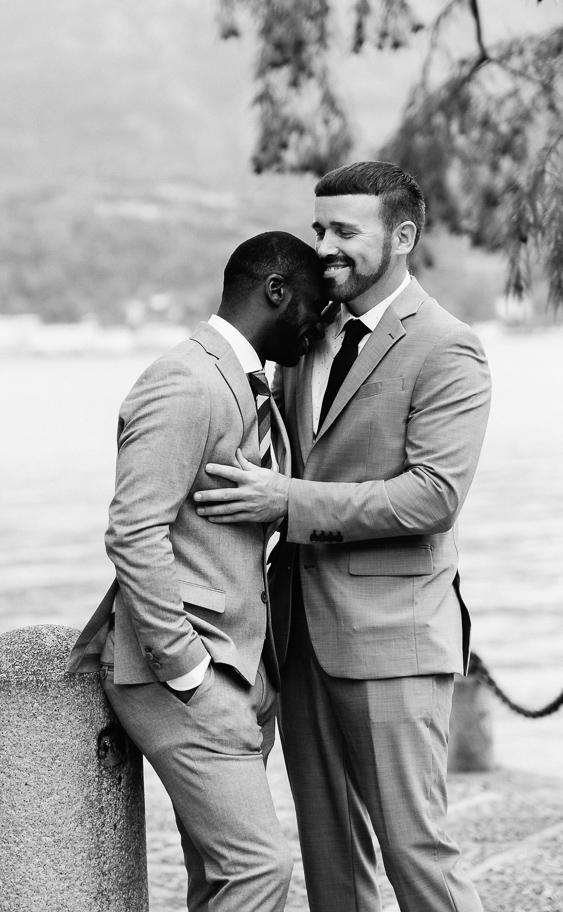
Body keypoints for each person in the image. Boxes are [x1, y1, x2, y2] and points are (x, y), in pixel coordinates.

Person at [194, 161, 491, 912]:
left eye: (343, 231)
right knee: (334, 864)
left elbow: (432, 498)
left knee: (414, 851)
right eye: (318, 227)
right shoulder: (307, 327)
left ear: (401, 236)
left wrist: (283, 501)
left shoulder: (446, 346)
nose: (322, 245)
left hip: (392, 637)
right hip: (295, 635)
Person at [67, 230, 325, 912]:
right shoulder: (184, 380)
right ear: (276, 291)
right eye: (315, 306)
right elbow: (133, 530)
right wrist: (189, 674)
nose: (319, 324)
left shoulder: (246, 385)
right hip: (185, 675)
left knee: (218, 878)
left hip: (240, 666)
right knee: (258, 871)